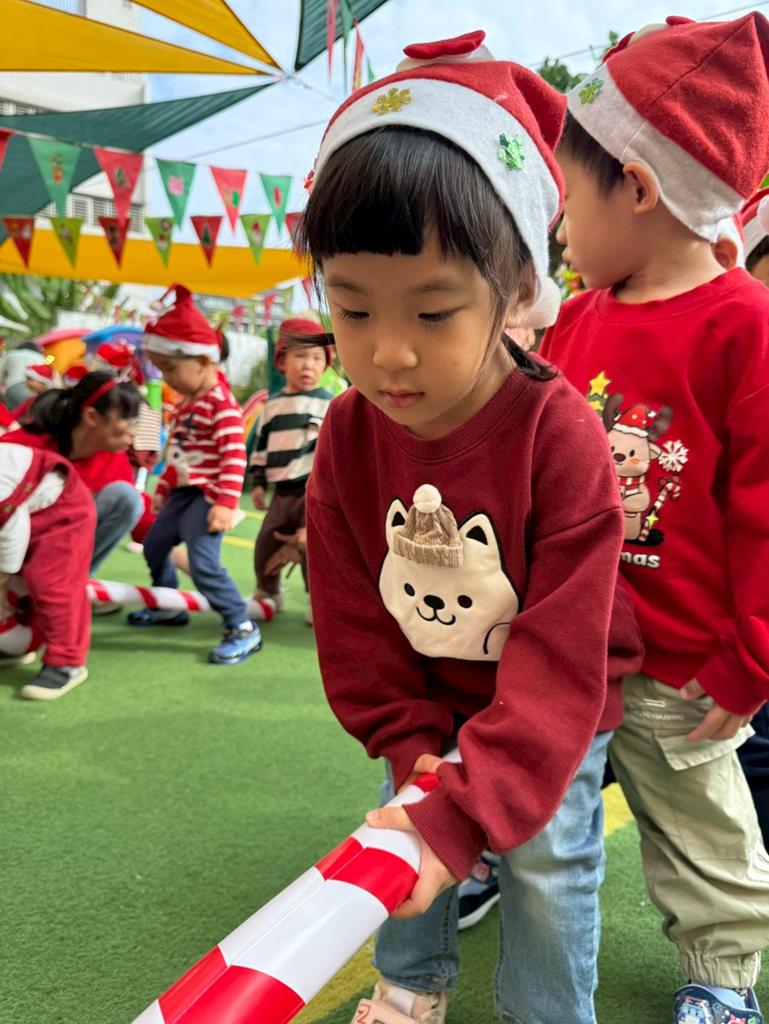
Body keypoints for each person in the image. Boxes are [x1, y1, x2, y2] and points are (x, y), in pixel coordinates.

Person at [300, 31, 643, 1024]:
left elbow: (562, 651)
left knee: (546, 860)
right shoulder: (348, 434)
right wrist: (409, 743)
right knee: (401, 825)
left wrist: (475, 792)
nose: (387, 354)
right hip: (425, 686)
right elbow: (353, 617)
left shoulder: (557, 435)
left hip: (550, 700)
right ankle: (412, 986)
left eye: (433, 312)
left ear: (518, 291)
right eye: (351, 310)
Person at [539, 15, 769, 1023]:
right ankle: (499, 873)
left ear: (635, 186)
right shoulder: (573, 320)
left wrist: (749, 658)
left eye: (567, 198)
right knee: (537, 796)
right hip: (565, 643)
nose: (558, 229)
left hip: (682, 665)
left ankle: (720, 977)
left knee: (703, 834)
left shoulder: (744, 326)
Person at [128, 285, 260, 667]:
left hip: (208, 495)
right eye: (162, 369)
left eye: (171, 368)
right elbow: (179, 453)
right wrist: (164, 487)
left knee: (203, 562)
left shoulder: (221, 405)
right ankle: (168, 604)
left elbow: (234, 455)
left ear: (203, 360)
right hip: (183, 494)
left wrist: (226, 503)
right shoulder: (190, 404)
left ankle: (242, 625)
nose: (166, 378)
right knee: (154, 544)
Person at [0, 371, 143, 577]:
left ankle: (69, 579)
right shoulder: (23, 447)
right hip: (9, 550)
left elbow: (141, 514)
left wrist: (172, 538)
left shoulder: (115, 461)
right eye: (127, 420)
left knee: (126, 497)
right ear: (92, 417)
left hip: (56, 562)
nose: (134, 432)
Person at [249, 317, 334, 625]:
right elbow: (261, 446)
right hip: (281, 493)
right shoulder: (272, 405)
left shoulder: (328, 404)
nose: (308, 365)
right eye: (300, 356)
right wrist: (258, 482)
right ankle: (268, 590)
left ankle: (318, 600)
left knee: (313, 548)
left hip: (313, 492)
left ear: (326, 365)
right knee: (266, 542)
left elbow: (332, 452)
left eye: (317, 358)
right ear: (282, 361)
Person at [0, 445, 94, 699]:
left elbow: (11, 530)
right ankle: (18, 645)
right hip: (24, 508)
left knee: (52, 584)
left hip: (63, 510)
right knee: (20, 584)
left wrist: (1, 580)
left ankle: (66, 662)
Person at [0, 340, 42, 411]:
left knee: (15, 412)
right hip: (35, 389)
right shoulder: (40, 357)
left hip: (13, 386)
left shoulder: (11, 354)